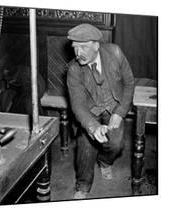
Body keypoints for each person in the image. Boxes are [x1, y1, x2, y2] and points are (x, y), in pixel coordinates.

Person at [66, 23, 135, 199]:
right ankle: (83, 185)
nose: (78, 53)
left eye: (83, 47)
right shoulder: (74, 70)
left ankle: (105, 162)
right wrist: (92, 126)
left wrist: (119, 113)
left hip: (114, 107)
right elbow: (78, 105)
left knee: (116, 143)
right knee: (85, 146)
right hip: (90, 112)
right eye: (75, 48)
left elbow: (129, 83)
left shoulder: (115, 53)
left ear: (96, 45)